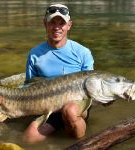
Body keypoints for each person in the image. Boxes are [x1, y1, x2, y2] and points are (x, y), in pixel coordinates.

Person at [21, 4, 94, 143]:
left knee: (70, 111)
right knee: (28, 139)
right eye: (52, 22)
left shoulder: (83, 52)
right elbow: (28, 87)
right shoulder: (34, 54)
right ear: (45, 23)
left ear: (69, 25)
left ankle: (82, 145)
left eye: (62, 23)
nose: (57, 27)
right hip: (48, 106)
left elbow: (91, 86)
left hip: (75, 104)